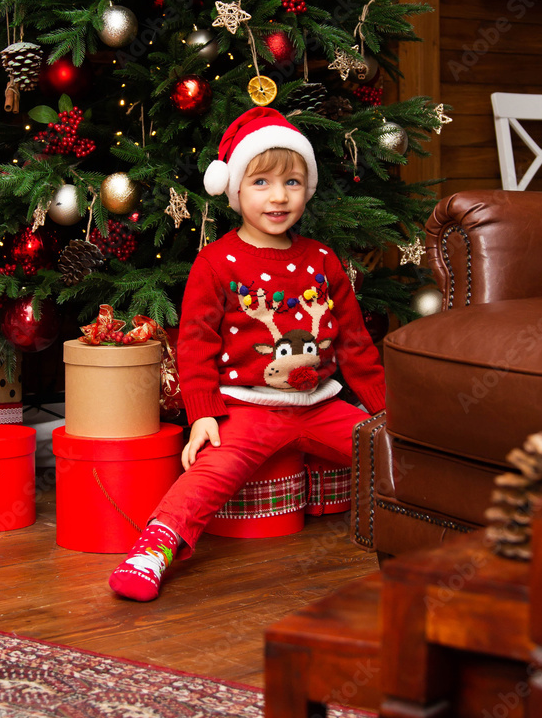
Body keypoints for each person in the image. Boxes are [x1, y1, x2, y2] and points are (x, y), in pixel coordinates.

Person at [108, 106, 386, 601]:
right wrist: (203, 414)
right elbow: (195, 344)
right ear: (234, 191)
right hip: (248, 408)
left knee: (391, 452)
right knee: (211, 471)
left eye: (293, 183)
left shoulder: (322, 259)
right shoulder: (215, 262)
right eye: (261, 182)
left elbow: (355, 343)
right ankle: (155, 549)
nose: (279, 197)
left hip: (321, 406)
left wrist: (383, 410)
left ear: (308, 188)